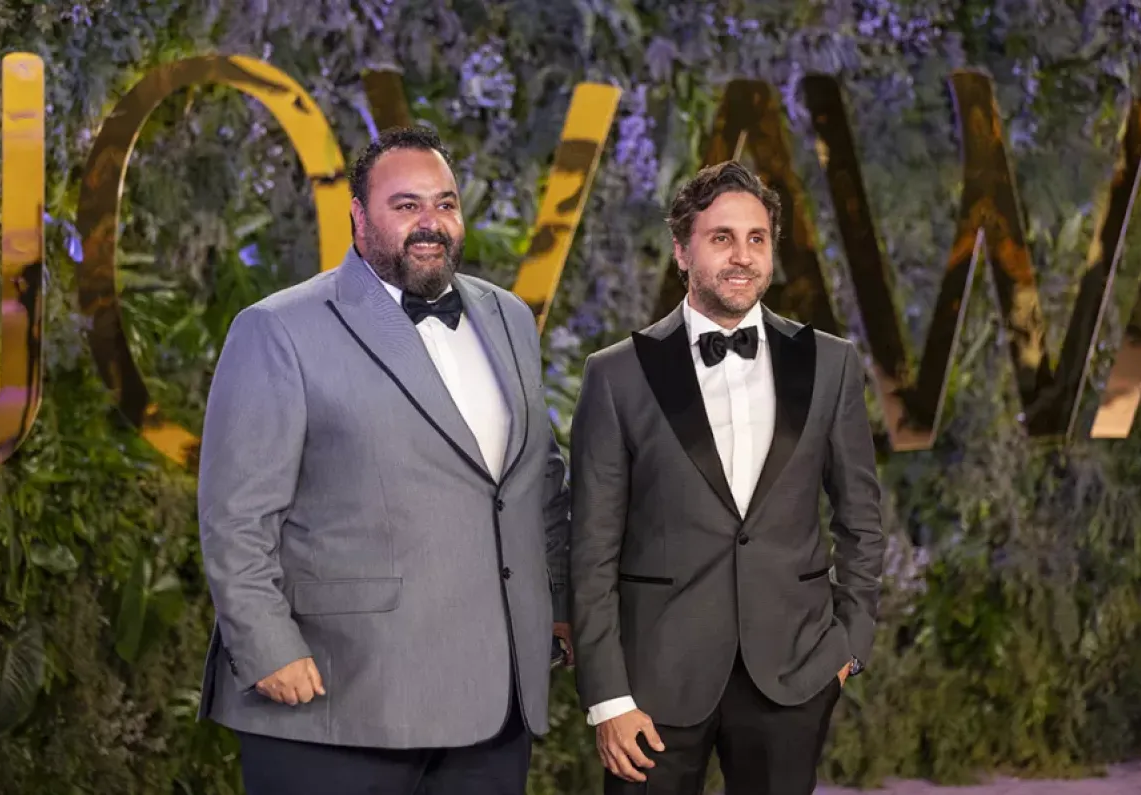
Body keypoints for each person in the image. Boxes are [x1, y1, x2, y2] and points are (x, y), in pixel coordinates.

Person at [196, 126, 572, 795]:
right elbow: (236, 515)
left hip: (490, 706)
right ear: (359, 216)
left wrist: (560, 603)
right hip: (335, 701)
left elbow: (537, 480)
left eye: (445, 203)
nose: (431, 222)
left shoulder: (509, 317)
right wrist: (265, 646)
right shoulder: (278, 328)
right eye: (406, 205)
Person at [569, 160, 884, 795]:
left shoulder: (831, 364)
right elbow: (591, 548)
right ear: (682, 251)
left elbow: (862, 520)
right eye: (721, 238)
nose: (742, 256)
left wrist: (849, 647)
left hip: (794, 673)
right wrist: (607, 697)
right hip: (653, 682)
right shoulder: (616, 374)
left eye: (756, 238)